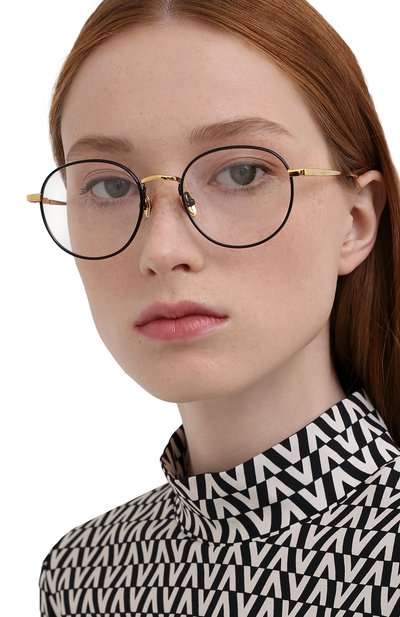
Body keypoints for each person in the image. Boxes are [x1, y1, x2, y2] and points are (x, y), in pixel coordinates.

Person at [29, 0, 400, 615]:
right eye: (110, 186)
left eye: (242, 172)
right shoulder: (82, 575)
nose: (162, 250)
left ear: (356, 222)